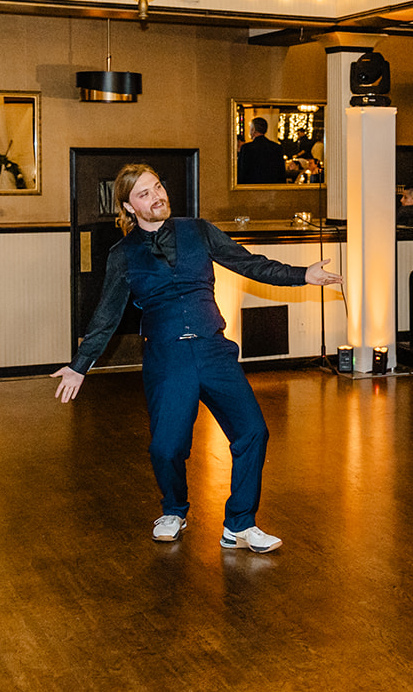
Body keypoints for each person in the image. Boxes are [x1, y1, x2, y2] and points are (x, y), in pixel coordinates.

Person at [50, 164, 340, 547]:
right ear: (129, 206)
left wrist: (303, 274)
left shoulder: (198, 230)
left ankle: (239, 523)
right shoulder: (123, 254)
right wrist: (79, 365)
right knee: (166, 447)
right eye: (144, 194)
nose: (156, 196)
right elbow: (107, 312)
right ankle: (173, 510)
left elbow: (248, 262)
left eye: (157, 187)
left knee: (253, 431)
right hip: (167, 358)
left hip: (213, 350)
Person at [237, 117, 286, 184]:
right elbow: (281, 173)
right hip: (272, 189)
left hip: (251, 189)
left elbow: (241, 173)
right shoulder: (277, 147)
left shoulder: (246, 148)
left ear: (253, 130)